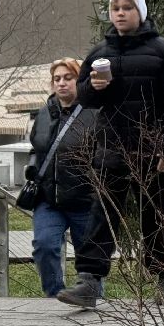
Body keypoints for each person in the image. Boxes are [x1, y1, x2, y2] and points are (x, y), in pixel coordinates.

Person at [58, 0, 164, 308]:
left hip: (151, 151)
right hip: (111, 148)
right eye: (115, 8)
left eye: (127, 7)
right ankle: (89, 282)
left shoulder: (162, 52)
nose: (120, 13)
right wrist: (93, 86)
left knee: (156, 215)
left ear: (140, 13)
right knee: (101, 216)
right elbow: (85, 100)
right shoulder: (100, 53)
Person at [26, 58, 102, 298]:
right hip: (49, 198)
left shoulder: (94, 112)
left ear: (80, 81)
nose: (62, 84)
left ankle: (92, 298)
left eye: (68, 78)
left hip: (85, 200)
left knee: (88, 256)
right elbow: (36, 147)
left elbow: (106, 150)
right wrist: (31, 166)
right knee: (44, 245)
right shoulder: (45, 112)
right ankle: (54, 294)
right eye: (57, 79)